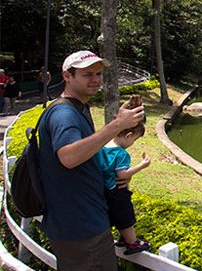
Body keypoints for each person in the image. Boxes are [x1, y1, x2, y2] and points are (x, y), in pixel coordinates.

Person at [37, 50, 145, 270]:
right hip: (81, 228)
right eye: (87, 75)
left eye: (98, 74)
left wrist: (115, 177)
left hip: (81, 222)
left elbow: (86, 156)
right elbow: (69, 157)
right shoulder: (64, 114)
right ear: (67, 76)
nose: (96, 79)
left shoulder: (79, 108)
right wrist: (116, 126)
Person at [97, 119, 151, 255]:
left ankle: (123, 238)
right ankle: (132, 243)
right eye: (134, 140)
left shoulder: (102, 147)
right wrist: (142, 166)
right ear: (128, 136)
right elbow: (122, 175)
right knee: (126, 216)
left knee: (115, 215)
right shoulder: (121, 154)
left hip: (104, 190)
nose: (133, 144)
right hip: (118, 191)